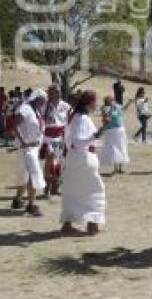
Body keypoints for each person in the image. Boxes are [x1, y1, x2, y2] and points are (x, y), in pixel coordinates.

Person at [60, 90, 106, 236]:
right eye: (95, 101)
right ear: (89, 103)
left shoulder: (75, 117)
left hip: (74, 159)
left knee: (73, 191)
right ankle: (92, 224)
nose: (96, 104)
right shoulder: (82, 119)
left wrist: (96, 138)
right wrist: (96, 135)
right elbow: (78, 142)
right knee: (94, 191)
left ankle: (67, 224)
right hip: (82, 160)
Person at [11, 89, 48, 217]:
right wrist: (24, 141)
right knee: (33, 174)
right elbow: (15, 125)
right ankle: (31, 205)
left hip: (33, 148)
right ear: (36, 98)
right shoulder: (26, 108)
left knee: (24, 174)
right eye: (43, 99)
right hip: (27, 148)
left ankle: (17, 200)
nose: (44, 102)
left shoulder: (35, 110)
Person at [42, 84, 72, 196]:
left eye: (59, 91)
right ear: (50, 93)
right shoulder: (44, 105)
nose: (58, 93)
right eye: (55, 91)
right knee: (50, 161)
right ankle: (47, 186)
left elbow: (70, 121)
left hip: (60, 136)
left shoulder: (65, 106)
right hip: (48, 137)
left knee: (60, 162)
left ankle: (56, 186)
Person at [99, 95, 130, 174]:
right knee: (114, 148)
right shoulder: (105, 108)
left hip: (120, 129)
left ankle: (120, 168)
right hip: (111, 130)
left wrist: (129, 103)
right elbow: (107, 118)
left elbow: (123, 109)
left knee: (122, 147)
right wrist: (112, 109)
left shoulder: (117, 106)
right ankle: (115, 168)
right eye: (111, 99)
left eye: (113, 99)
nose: (113, 100)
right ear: (107, 101)